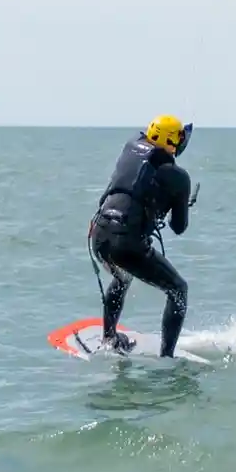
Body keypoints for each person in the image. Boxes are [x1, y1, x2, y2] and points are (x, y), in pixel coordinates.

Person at [88, 115, 195, 358]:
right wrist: (180, 202)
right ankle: (167, 357)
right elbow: (179, 227)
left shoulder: (130, 148)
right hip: (126, 243)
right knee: (178, 290)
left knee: (122, 276)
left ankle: (109, 338)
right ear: (173, 141)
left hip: (99, 233)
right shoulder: (179, 177)